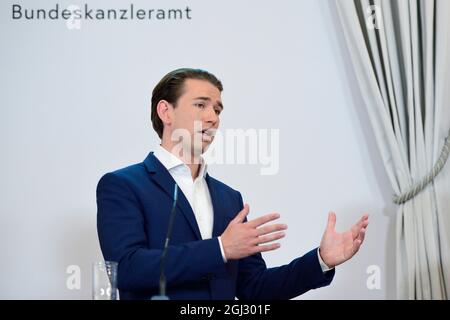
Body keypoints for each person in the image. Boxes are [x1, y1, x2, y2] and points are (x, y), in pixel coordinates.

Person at [96, 68, 369, 300]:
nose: (213, 118)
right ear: (166, 112)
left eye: (217, 109)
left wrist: (321, 260)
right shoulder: (123, 186)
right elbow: (127, 269)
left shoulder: (229, 198)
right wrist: (220, 249)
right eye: (201, 105)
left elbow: (254, 288)